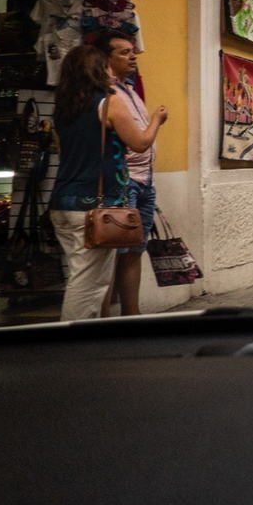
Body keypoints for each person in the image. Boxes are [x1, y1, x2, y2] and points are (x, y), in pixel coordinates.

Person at [50, 45, 167, 321]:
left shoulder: (64, 108)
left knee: (80, 275)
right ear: (99, 69)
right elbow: (140, 143)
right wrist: (156, 120)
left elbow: (62, 150)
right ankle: (74, 339)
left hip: (62, 202)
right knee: (88, 284)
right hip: (93, 205)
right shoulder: (109, 101)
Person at [97, 31, 159, 317]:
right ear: (106, 58)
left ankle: (131, 314)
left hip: (144, 180)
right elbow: (137, 141)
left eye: (132, 51)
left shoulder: (130, 90)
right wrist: (157, 120)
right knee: (112, 254)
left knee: (135, 250)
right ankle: (104, 319)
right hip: (123, 183)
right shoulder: (107, 94)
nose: (132, 57)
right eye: (123, 52)